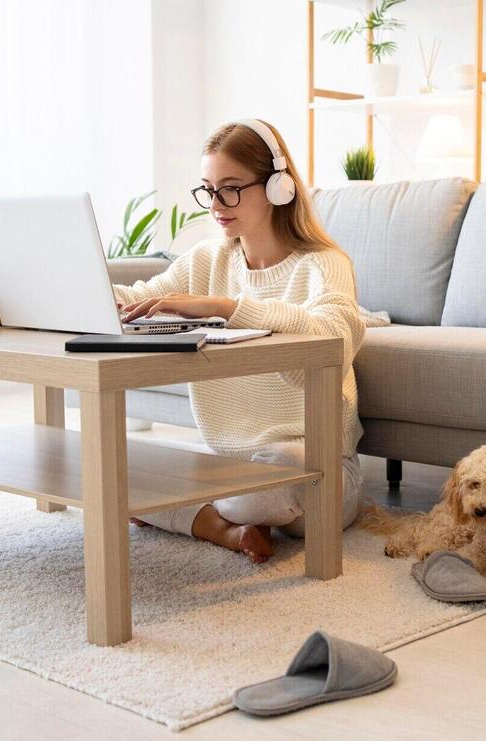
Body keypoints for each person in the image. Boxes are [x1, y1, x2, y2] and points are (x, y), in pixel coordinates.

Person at [112, 118, 365, 564]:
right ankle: (230, 528)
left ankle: (200, 517)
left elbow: (335, 337)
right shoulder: (207, 259)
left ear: (277, 187)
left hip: (313, 469)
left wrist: (229, 308)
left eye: (229, 188)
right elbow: (135, 300)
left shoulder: (324, 264)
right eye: (207, 189)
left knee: (279, 467)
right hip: (228, 468)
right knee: (113, 470)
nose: (215, 204)